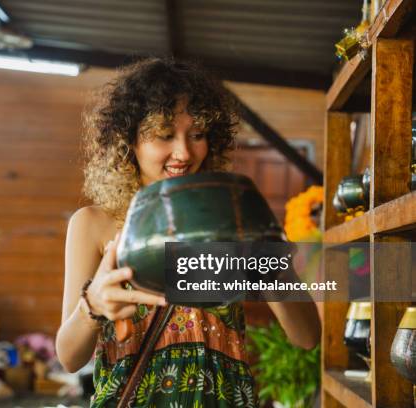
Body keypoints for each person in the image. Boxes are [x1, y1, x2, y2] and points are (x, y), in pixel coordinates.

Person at [55, 58, 321, 407]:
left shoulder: (234, 215)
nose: (183, 152)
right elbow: (69, 357)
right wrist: (92, 306)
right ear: (128, 140)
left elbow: (306, 337)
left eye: (197, 135)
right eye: (164, 135)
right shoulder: (93, 223)